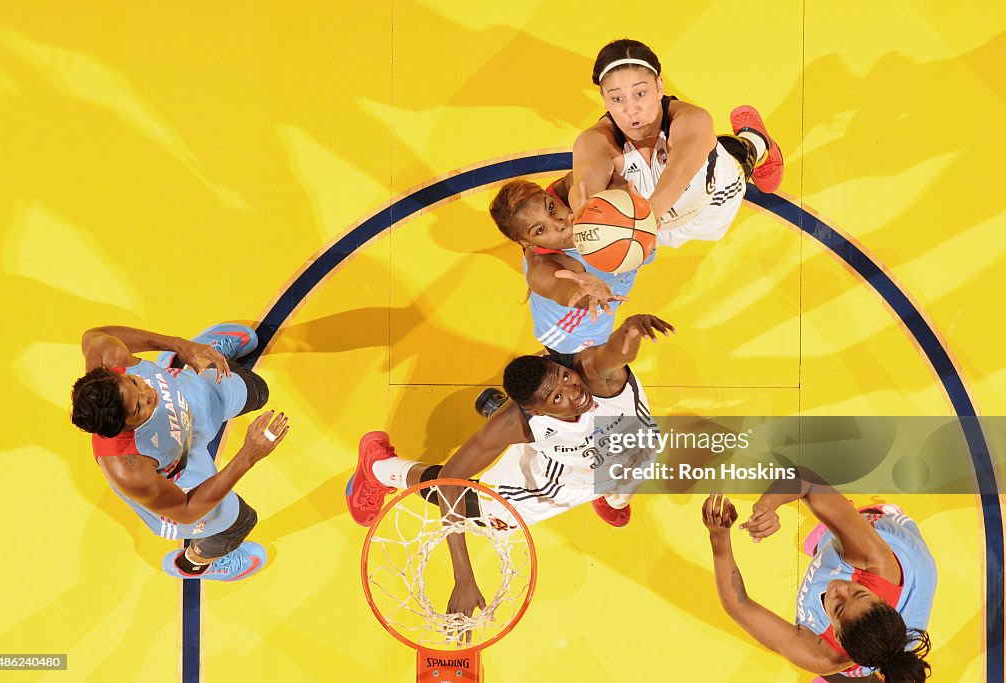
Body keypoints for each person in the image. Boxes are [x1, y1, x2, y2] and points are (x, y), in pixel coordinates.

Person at [347, 313, 674, 614]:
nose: (575, 393)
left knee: (628, 476)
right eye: (557, 398)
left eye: (566, 378)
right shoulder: (517, 423)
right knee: (480, 511)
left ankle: (610, 494)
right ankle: (380, 467)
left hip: (630, 451)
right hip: (555, 480)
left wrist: (630, 329)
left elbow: (616, 353)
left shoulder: (595, 376)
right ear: (538, 412)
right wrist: (463, 576)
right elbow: (450, 480)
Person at [70, 323, 290, 581]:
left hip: (183, 400)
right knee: (240, 521)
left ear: (113, 373)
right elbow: (187, 510)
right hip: (178, 471)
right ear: (122, 428)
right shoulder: (129, 468)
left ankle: (181, 358)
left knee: (257, 390)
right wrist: (248, 456)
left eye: (134, 381)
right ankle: (195, 564)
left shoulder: (107, 355)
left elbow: (93, 334)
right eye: (139, 407)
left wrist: (179, 344)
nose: (149, 393)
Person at [702, 471, 936, 682]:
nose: (839, 588)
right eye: (857, 591)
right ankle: (871, 515)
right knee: (842, 530)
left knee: (845, 674)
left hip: (863, 648)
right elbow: (807, 481)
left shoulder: (822, 656)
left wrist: (719, 538)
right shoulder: (877, 561)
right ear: (880, 600)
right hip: (904, 551)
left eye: (839, 608)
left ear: (837, 637)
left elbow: (739, 606)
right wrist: (767, 506)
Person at [572, 38, 784, 248]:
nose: (631, 109)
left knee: (736, 156)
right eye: (617, 99)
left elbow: (680, 170)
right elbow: (585, 186)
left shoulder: (692, 120)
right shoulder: (593, 141)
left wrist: (646, 215)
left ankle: (757, 139)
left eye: (640, 93)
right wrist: (588, 213)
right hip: (657, 228)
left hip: (712, 204)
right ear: (603, 97)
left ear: (659, 86)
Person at [489, 175, 652, 353]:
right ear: (528, 244)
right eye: (540, 230)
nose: (559, 224)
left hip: (608, 290)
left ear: (551, 195)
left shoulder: (568, 191)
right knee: (590, 372)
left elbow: (603, 174)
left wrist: (626, 196)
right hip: (571, 330)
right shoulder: (541, 270)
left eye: (551, 208)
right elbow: (569, 291)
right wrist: (587, 293)